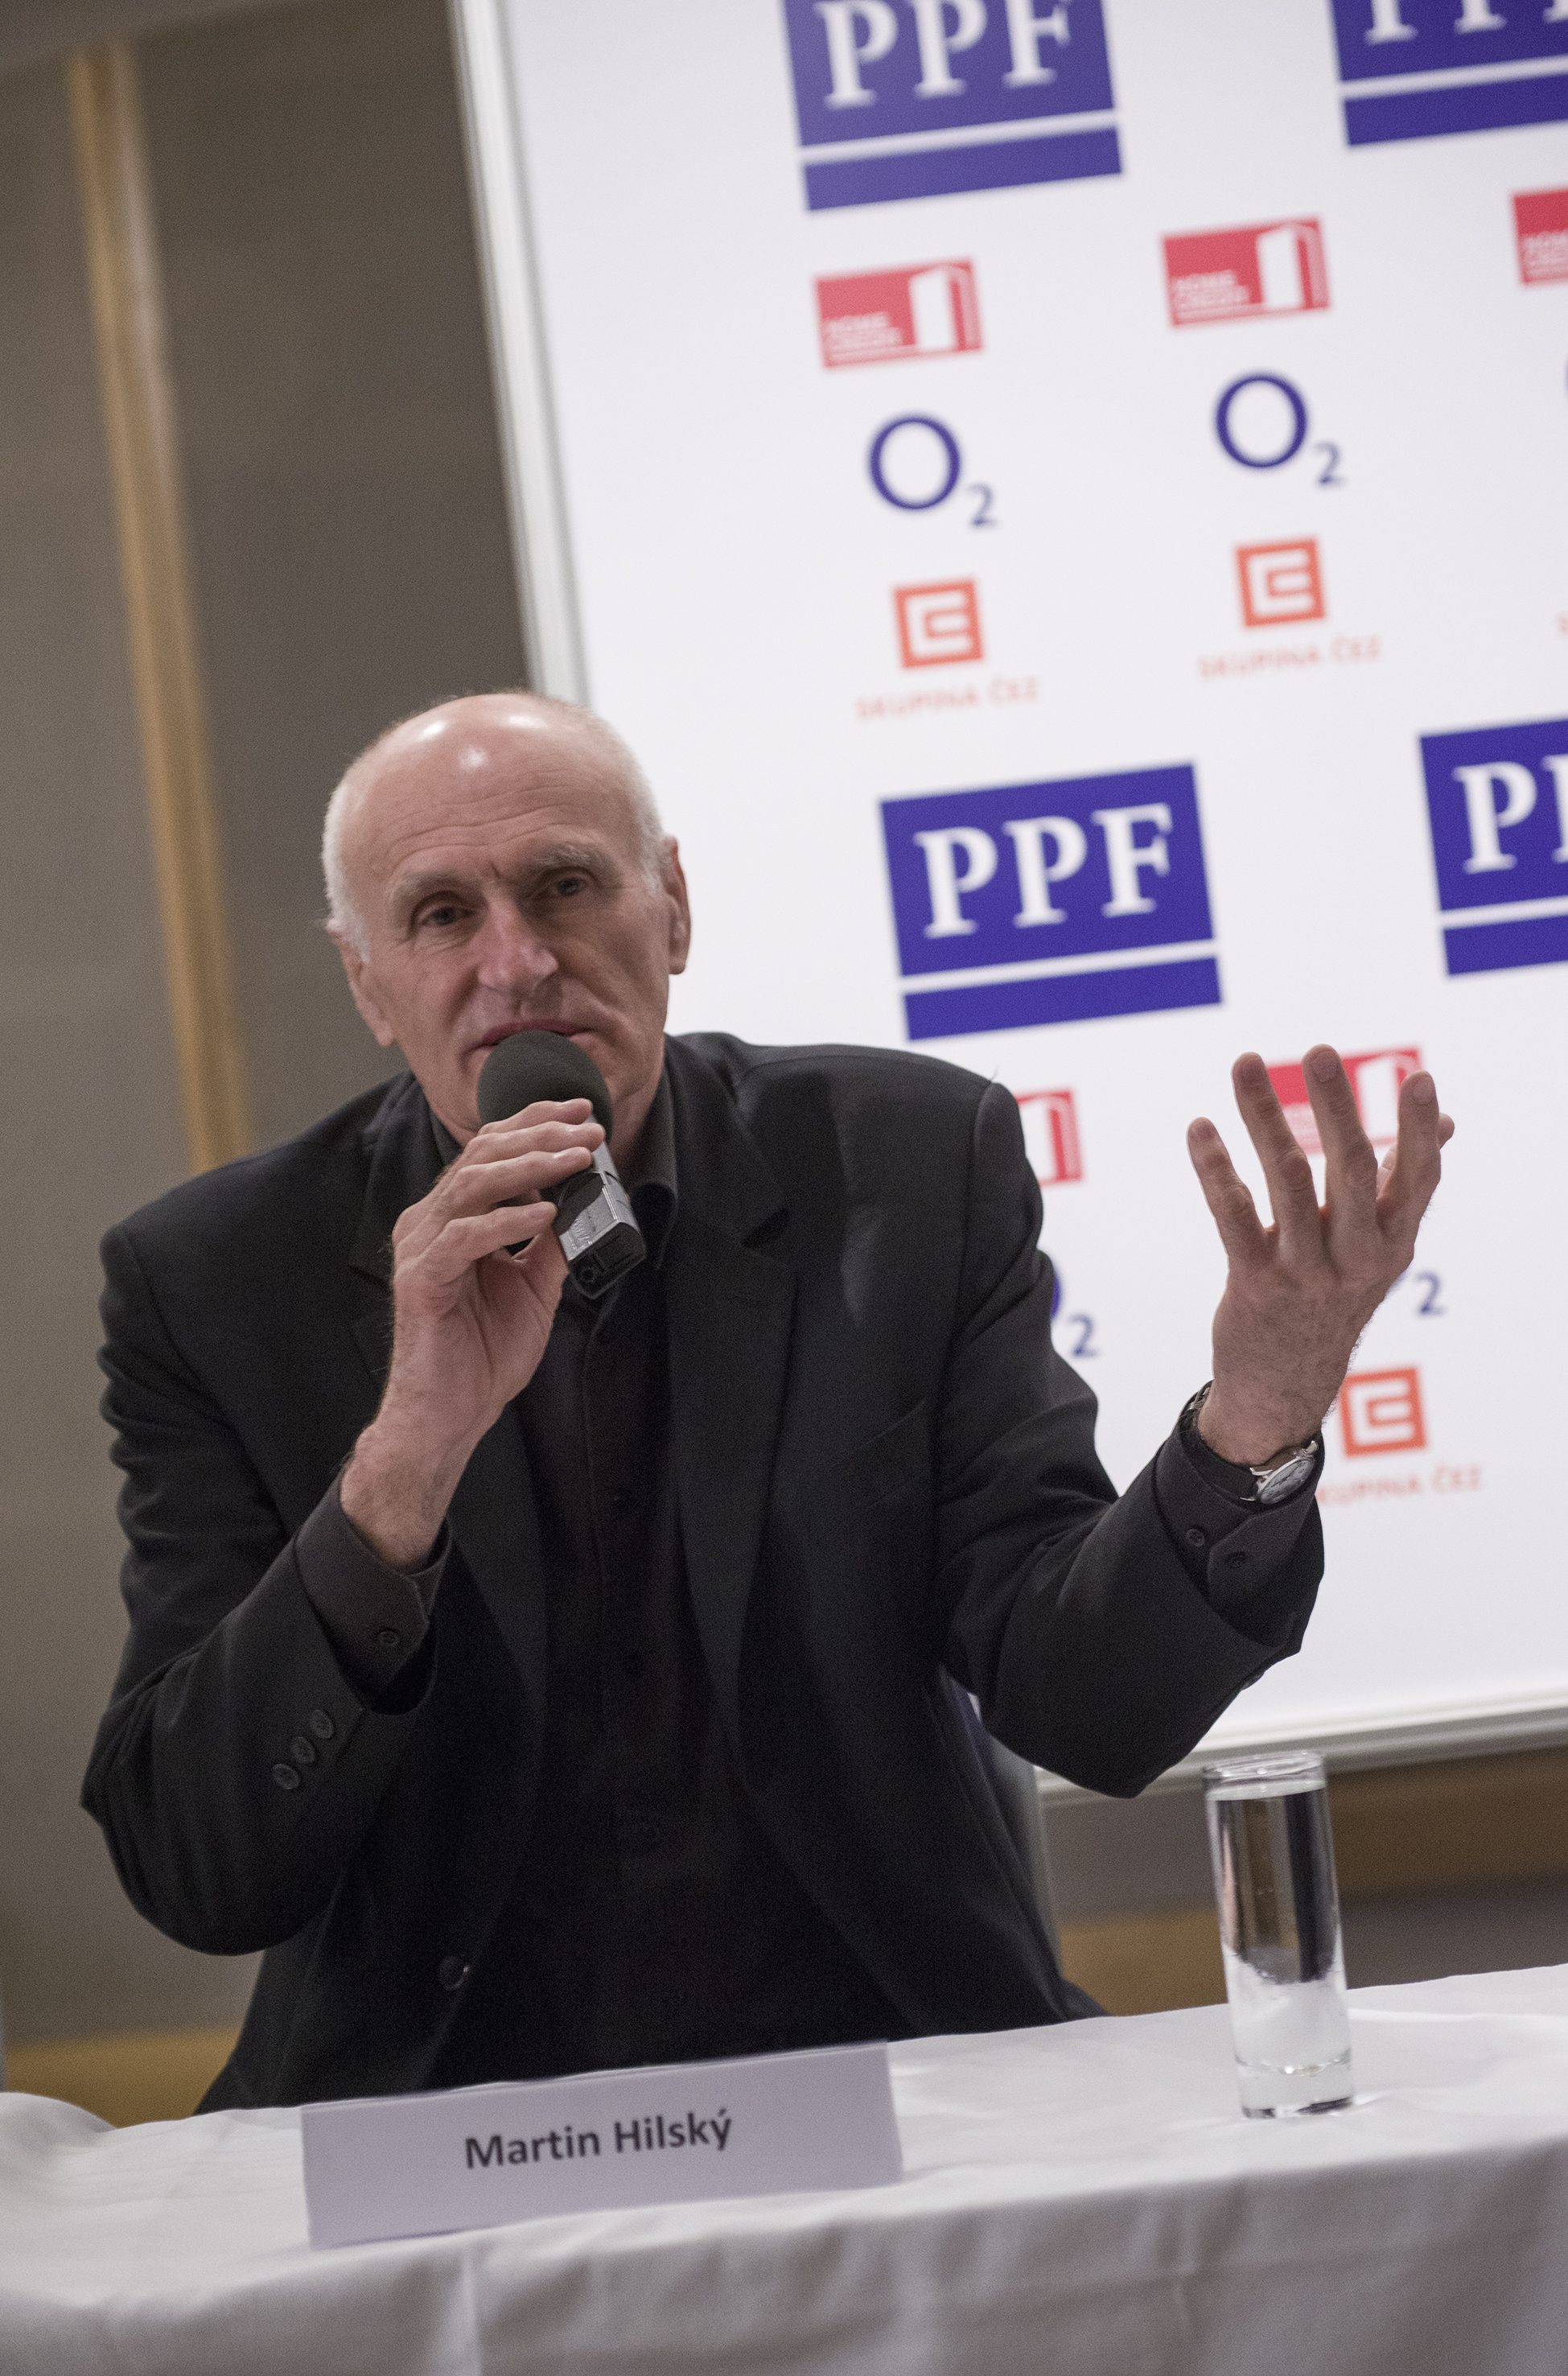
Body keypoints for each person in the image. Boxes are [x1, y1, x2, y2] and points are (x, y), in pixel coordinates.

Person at [84, 693, 1452, 2110]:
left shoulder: (909, 1169)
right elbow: (200, 1868)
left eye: (564, 884)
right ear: (369, 981)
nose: (519, 960)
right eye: (440, 914)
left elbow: (1086, 1702)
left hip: (886, 2082)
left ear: (671, 906)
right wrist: (404, 1463)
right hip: (436, 2121)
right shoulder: (214, 1282)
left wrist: (1254, 1419)